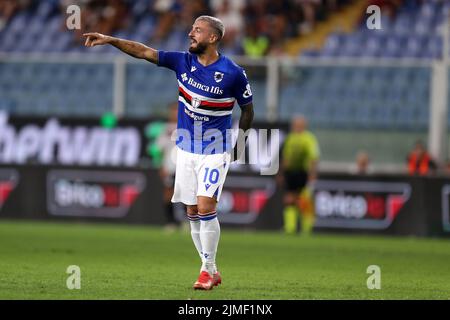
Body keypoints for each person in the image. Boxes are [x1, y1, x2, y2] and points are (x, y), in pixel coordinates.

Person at [83, 15, 254, 290]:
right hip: (185, 146)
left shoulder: (233, 73)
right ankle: (210, 268)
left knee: (206, 206)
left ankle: (207, 270)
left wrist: (240, 144)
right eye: (192, 29)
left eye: (198, 30)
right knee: (192, 209)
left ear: (213, 37)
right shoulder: (182, 61)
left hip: (215, 148)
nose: (191, 33)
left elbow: (248, 109)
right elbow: (143, 51)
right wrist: (111, 40)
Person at [280, 115, 319, 235]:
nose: (296, 126)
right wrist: (282, 173)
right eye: (295, 124)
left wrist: (312, 173)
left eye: (299, 124)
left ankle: (307, 229)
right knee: (289, 200)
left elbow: (313, 157)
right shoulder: (290, 138)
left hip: (303, 173)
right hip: (291, 173)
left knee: (303, 201)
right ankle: (290, 228)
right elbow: (286, 157)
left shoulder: (308, 138)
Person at [155, 102, 179, 232]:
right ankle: (171, 222)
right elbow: (160, 149)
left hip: (184, 166)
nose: (174, 113)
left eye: (177, 110)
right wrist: (161, 166)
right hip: (170, 167)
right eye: (172, 110)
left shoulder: (189, 126)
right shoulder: (166, 129)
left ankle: (189, 222)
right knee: (168, 194)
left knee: (188, 195)